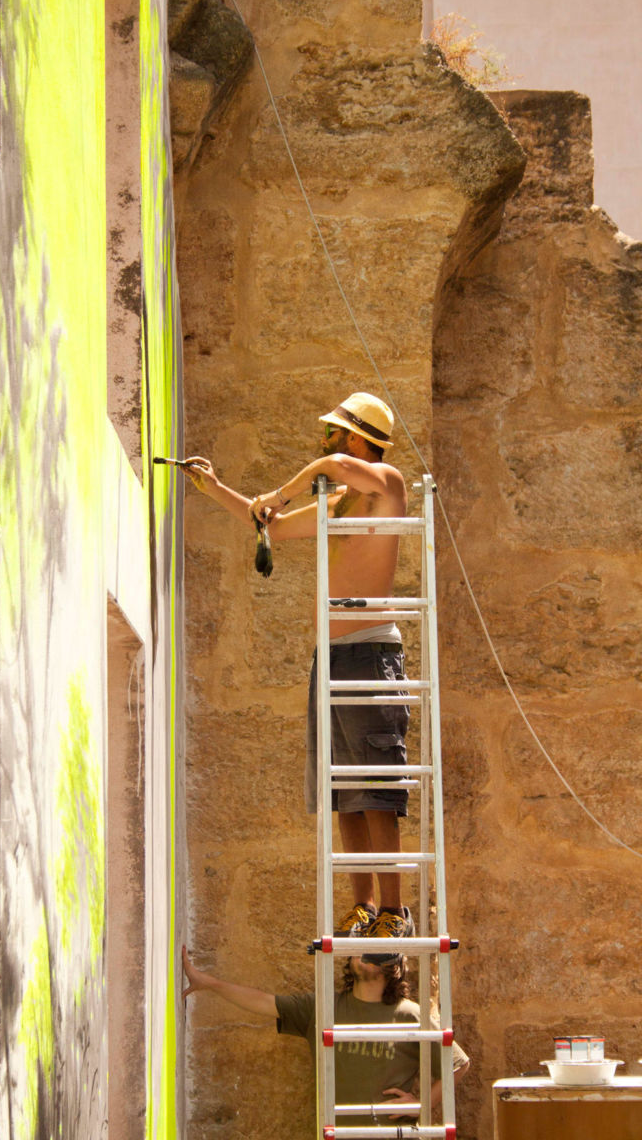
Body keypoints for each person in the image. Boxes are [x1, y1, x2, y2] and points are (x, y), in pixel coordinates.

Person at [181, 392, 412, 940]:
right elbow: (273, 529)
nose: (326, 438)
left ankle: (394, 913)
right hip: (330, 661)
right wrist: (217, 489)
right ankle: (363, 907)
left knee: (376, 790)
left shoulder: (389, 485)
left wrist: (277, 494)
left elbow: (331, 468)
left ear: (357, 438)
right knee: (346, 796)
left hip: (371, 654)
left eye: (334, 430)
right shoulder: (338, 506)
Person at [181, 945, 469, 1125]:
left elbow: (459, 1064)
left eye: (375, 949)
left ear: (392, 967)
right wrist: (207, 983)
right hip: (335, 1134)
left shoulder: (410, 1014)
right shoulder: (323, 1008)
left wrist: (420, 1103)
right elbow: (263, 1002)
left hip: (390, 1135)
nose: (364, 953)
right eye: (359, 948)